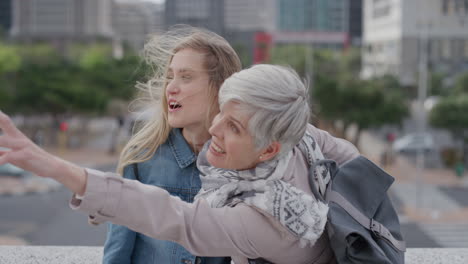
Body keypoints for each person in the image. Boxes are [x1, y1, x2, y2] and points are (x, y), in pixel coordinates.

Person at [0, 64, 359, 263]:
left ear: (269, 150)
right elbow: (353, 160)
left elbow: (174, 216)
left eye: (233, 127)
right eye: (222, 112)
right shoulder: (303, 138)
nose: (215, 128)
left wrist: (53, 166)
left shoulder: (266, 223)